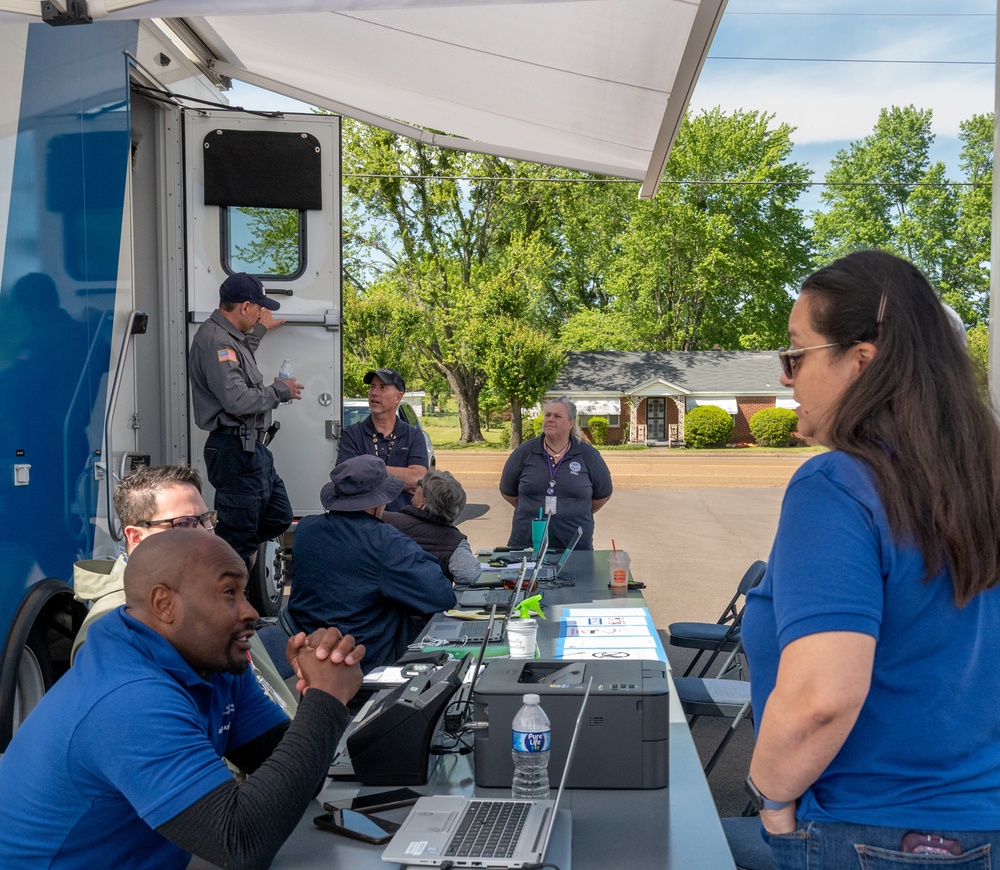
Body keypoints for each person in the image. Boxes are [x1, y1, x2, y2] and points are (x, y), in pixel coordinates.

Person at [736, 250, 1000, 869]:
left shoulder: (835, 486)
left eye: (795, 354)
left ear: (860, 361)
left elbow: (822, 697)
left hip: (869, 830)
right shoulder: (983, 479)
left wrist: (770, 796)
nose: (785, 377)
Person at [0, 530, 364, 868]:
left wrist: (320, 691)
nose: (252, 612)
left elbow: (296, 771)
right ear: (164, 604)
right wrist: (325, 696)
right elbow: (240, 844)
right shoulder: (127, 698)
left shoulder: (210, 662)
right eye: (228, 593)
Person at [71, 463, 297, 712]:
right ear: (136, 537)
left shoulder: (197, 595)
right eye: (184, 523)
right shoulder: (115, 627)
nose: (206, 534)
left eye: (206, 520)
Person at [287, 455, 457, 671]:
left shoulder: (306, 529)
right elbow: (441, 595)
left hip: (311, 659)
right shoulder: (384, 541)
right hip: (367, 664)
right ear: (378, 502)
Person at [188, 272, 303, 568]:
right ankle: (222, 590)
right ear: (244, 307)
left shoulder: (227, 339)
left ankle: (228, 555)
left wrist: (261, 329)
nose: (259, 314)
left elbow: (240, 358)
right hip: (234, 450)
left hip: (251, 450)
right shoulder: (215, 341)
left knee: (278, 514)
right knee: (237, 540)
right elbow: (236, 400)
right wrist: (281, 391)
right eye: (258, 309)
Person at [499, 396, 613, 550]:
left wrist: (575, 509)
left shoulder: (588, 455)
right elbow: (508, 492)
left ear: (571, 423)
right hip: (527, 545)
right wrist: (531, 505)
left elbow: (602, 495)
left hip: (574, 548)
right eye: (548, 415)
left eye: (557, 416)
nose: (550, 419)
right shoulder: (524, 452)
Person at [336, 367, 427, 511]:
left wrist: (367, 470)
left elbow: (417, 478)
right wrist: (401, 482)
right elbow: (347, 478)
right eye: (372, 387)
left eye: (383, 387)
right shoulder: (352, 434)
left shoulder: (413, 435)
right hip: (362, 521)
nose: (374, 392)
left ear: (398, 397)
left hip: (403, 522)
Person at [382, 469, 482, 584]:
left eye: (418, 489)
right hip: (431, 598)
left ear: (422, 500)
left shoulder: (384, 520)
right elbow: (470, 575)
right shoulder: (454, 540)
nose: (413, 492)